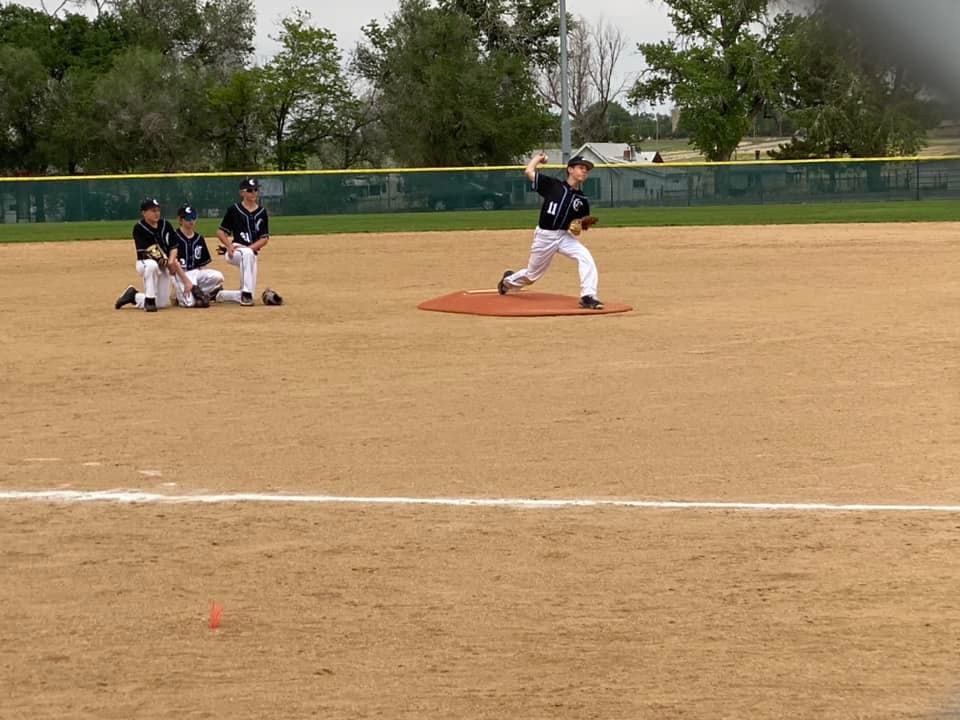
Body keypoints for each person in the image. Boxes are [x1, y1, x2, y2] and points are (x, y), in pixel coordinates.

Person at [497, 153, 604, 309]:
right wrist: (538, 159)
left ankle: (588, 296)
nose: (585, 171)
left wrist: (578, 226)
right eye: (581, 167)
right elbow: (529, 171)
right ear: (570, 169)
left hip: (563, 236)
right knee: (532, 275)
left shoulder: (582, 200)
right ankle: (508, 281)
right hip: (545, 236)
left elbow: (578, 227)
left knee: (585, 257)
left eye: (587, 169)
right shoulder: (553, 185)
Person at [114, 197, 177, 312]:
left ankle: (133, 296)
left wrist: (172, 261)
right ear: (144, 212)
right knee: (151, 265)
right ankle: (150, 302)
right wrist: (169, 264)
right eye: (153, 210)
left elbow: (174, 246)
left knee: (162, 304)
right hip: (145, 262)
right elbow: (152, 251)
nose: (157, 213)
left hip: (165, 264)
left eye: (158, 210)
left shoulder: (166, 225)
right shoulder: (139, 228)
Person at [216, 177, 270, 306]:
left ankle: (220, 295)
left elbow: (264, 238)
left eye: (255, 190)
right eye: (250, 190)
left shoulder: (262, 212)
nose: (253, 193)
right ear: (242, 193)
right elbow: (220, 232)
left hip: (250, 253)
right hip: (236, 250)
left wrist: (250, 249)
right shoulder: (234, 210)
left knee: (251, 291)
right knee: (246, 254)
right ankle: (246, 293)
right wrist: (228, 246)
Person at [169, 204, 224, 308]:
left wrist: (200, 280)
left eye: (193, 217)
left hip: (195, 272)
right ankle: (178, 295)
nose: (191, 221)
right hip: (180, 274)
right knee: (189, 303)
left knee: (218, 276)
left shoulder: (199, 238)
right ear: (180, 220)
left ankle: (202, 293)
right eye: (188, 218)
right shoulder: (174, 237)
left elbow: (202, 265)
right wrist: (186, 281)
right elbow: (173, 263)